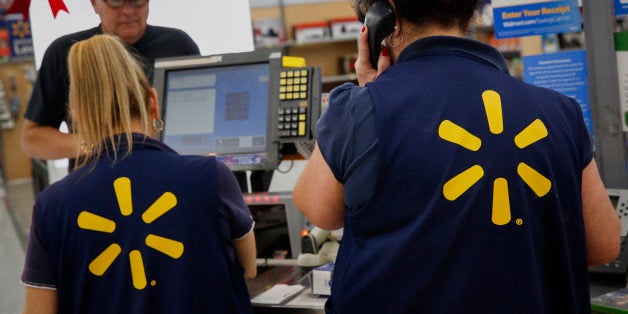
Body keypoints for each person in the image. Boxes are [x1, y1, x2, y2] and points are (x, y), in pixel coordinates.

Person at [293, 0, 622, 313]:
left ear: (383, 16)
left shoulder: (359, 109)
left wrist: (372, 91)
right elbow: (603, 245)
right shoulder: (560, 112)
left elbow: (319, 209)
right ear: (471, 11)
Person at [20, 34, 256, 314]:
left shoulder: (51, 206)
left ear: (77, 116)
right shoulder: (211, 176)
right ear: (153, 102)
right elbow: (249, 267)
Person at [21, 0, 200, 165]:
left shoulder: (180, 45)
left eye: (137, 0)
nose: (128, 10)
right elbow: (31, 139)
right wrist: (97, 143)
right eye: (116, 1)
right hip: (98, 185)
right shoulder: (69, 53)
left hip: (172, 177)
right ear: (94, 3)